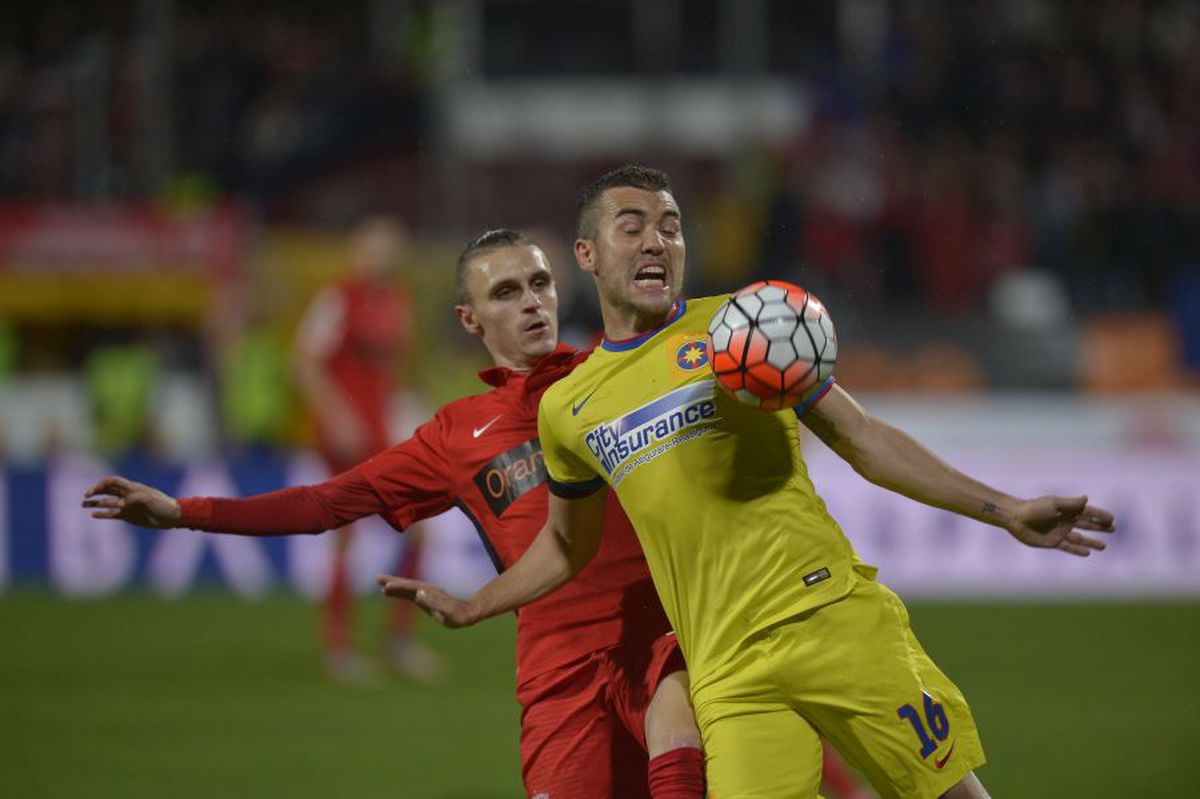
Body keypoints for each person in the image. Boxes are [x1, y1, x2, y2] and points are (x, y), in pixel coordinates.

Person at [378, 166, 1117, 799]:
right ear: (588, 254)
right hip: (725, 671)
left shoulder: (743, 329)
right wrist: (478, 603)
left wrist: (1007, 508)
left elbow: (861, 436)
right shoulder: (570, 408)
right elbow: (566, 549)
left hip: (830, 619)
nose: (655, 241)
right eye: (631, 226)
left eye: (670, 226)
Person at [84, 229, 707, 799]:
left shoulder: (614, 372)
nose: (531, 303)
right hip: (558, 674)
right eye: (506, 292)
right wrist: (183, 511)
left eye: (540, 284)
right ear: (470, 318)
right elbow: (324, 503)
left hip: (661, 644)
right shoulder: (454, 435)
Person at [293, 213, 439, 683]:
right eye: (376, 246)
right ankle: (343, 650)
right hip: (346, 436)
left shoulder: (397, 301)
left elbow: (396, 372)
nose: (384, 255)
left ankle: (394, 642)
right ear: (359, 250)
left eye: (392, 247)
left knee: (412, 531)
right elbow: (303, 362)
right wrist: (337, 414)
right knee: (350, 536)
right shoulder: (338, 297)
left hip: (378, 435)